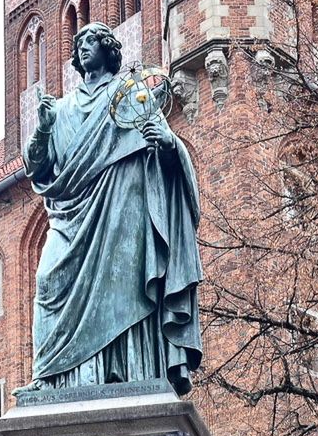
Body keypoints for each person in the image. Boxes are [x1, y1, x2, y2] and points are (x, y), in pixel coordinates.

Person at [20, 21, 203, 398]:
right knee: (47, 281)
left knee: (126, 289)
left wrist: (168, 144)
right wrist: (42, 129)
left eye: (92, 40)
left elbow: (164, 148)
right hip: (70, 215)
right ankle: (52, 374)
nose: (84, 47)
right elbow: (38, 168)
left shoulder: (129, 96)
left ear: (108, 49)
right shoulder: (62, 109)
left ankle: (126, 371)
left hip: (122, 209)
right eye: (79, 43)